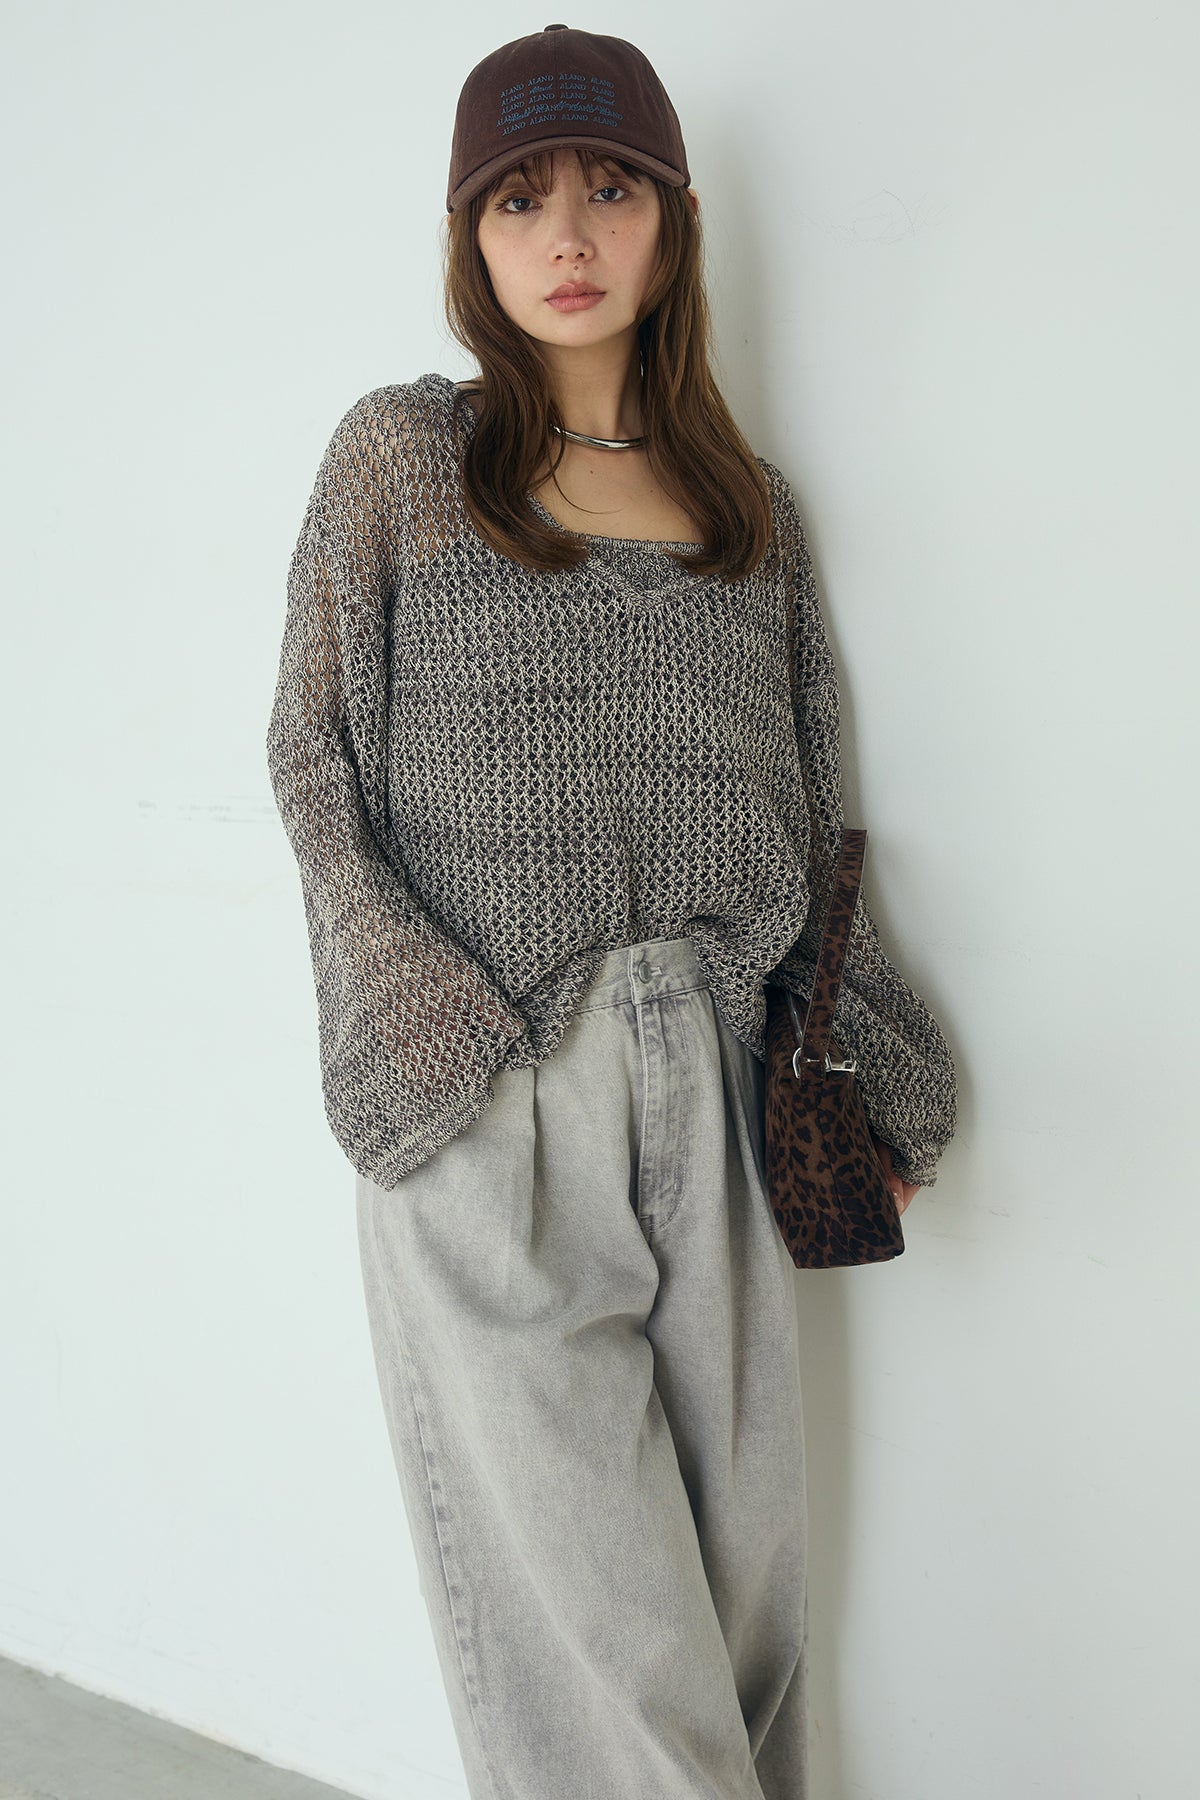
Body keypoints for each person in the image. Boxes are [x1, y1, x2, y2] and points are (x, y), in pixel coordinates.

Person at [266, 24, 957, 1800]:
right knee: (604, 1661)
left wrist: (875, 1077)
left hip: (714, 1095)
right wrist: (429, 1035)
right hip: (492, 1091)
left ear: (673, 221)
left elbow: (811, 822)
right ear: (470, 238)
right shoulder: (403, 462)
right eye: (518, 198)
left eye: (609, 188)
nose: (566, 231)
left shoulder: (749, 516)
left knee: (743, 1636)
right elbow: (310, 759)